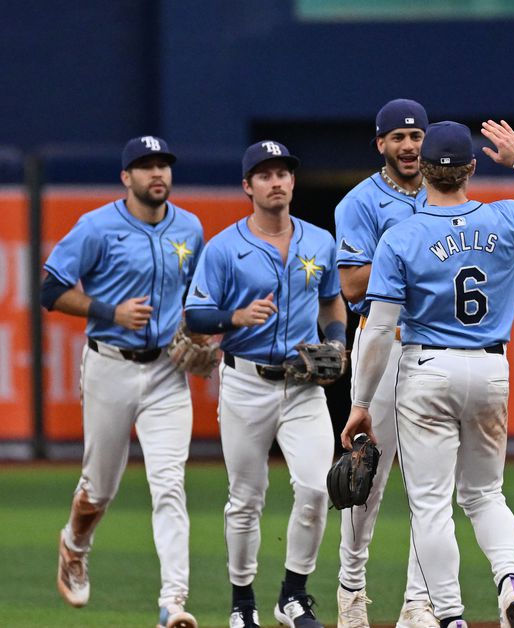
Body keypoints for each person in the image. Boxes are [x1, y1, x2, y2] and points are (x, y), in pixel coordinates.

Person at [341, 120, 514, 628]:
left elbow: (381, 329)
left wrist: (362, 402)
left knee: (431, 505)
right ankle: (511, 582)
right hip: (491, 369)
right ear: (472, 168)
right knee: (485, 494)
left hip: (428, 369)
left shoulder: (402, 235)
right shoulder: (505, 219)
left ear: (422, 170)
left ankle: (450, 616)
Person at [43, 136, 203, 628]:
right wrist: (110, 311)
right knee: (100, 487)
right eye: (145, 165)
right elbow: (51, 289)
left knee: (170, 485)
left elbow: (200, 295)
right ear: (126, 177)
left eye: (163, 165)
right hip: (110, 364)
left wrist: (203, 332)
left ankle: (172, 603)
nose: (157, 173)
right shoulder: (97, 227)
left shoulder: (190, 228)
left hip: (167, 372)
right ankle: (75, 543)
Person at [184, 140, 346, 628]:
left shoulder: (320, 241)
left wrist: (336, 340)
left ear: (293, 182)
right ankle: (242, 604)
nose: (276, 181)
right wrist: (234, 317)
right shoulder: (224, 247)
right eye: (265, 174)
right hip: (246, 384)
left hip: (303, 387)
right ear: (247, 186)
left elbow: (332, 303)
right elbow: (194, 316)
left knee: (318, 490)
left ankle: (293, 596)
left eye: (283, 173)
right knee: (246, 498)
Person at [332, 98, 439, 628]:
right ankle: (352, 588)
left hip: (436, 351)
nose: (409, 146)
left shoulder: (446, 193)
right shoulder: (360, 202)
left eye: (416, 136)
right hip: (384, 346)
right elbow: (352, 284)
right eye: (398, 137)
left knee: (429, 482)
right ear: (380, 145)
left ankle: (419, 601)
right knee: (365, 478)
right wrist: (422, 268)